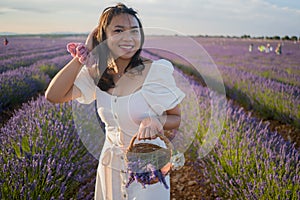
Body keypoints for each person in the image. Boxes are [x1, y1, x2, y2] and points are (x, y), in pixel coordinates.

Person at [45, 3, 185, 200]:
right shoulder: (97, 73)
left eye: (134, 31)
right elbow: (53, 95)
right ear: (104, 37)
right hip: (110, 166)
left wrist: (155, 121)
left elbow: (176, 117)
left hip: (149, 166)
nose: (128, 37)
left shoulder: (155, 72)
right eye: (118, 30)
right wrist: (81, 57)